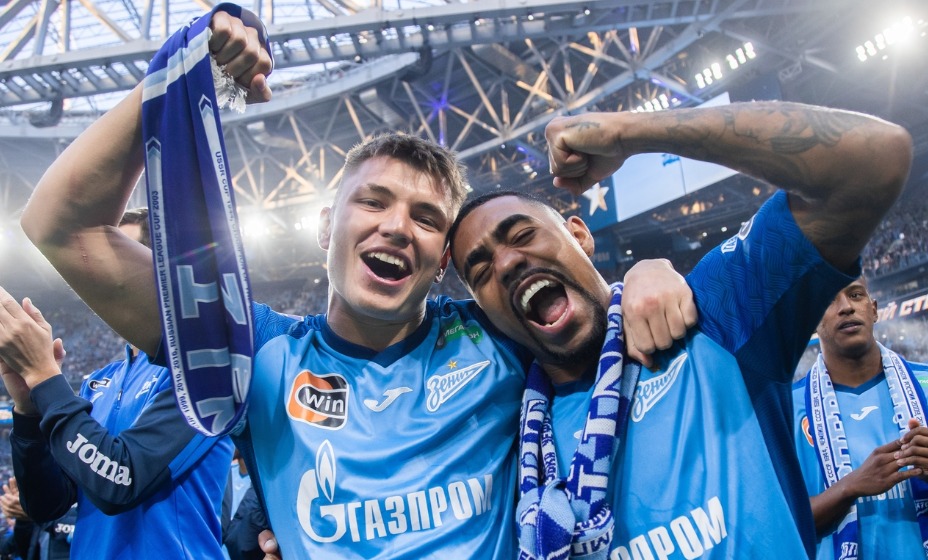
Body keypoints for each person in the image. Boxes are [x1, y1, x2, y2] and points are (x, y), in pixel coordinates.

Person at [16, 8, 696, 559]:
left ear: (443, 260)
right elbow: (59, 227)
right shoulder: (256, 351)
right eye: (373, 202)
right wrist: (179, 73)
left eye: (426, 218)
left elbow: (584, 307)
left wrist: (645, 272)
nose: (397, 227)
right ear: (325, 227)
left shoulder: (493, 338)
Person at [446, 100, 912, 558]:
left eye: (523, 235)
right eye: (481, 271)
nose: (506, 264)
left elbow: (874, 158)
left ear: (580, 235)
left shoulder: (714, 314)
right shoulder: (505, 442)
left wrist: (629, 133)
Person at [0, 208, 234, 559]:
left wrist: (45, 376)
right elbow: (48, 504)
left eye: (118, 257)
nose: (99, 274)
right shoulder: (99, 381)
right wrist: (28, 408)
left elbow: (121, 480)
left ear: (168, 272)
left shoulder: (203, 369)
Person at [792, 277, 928, 559]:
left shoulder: (925, 383)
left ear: (874, 310)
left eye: (855, 295)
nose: (846, 307)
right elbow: (776, 523)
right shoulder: (786, 409)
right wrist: (850, 486)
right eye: (828, 300)